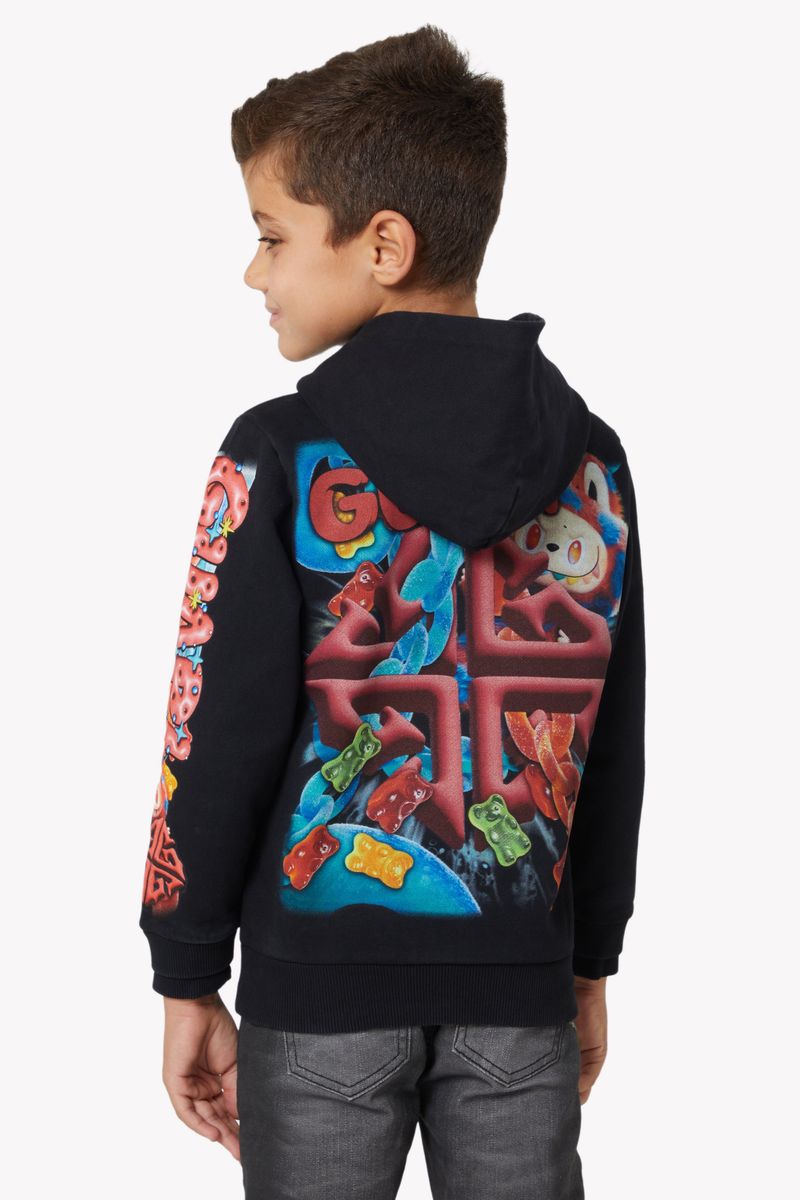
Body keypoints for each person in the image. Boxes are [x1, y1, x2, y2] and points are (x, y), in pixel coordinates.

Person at [139, 24, 646, 1200]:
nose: (253, 273)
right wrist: (587, 960)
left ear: (382, 245)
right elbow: (610, 735)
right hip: (518, 982)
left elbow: (214, 729)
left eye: (272, 235)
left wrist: (185, 970)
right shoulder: (592, 461)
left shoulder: (276, 453)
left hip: (317, 993)